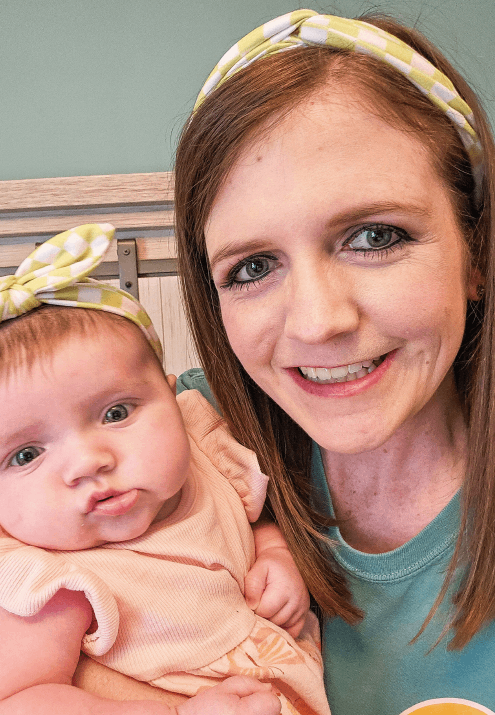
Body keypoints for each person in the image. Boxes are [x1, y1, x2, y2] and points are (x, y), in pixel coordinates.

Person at [173, 9, 495, 715]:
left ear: (474, 250)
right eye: (253, 265)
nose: (318, 322)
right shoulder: (193, 439)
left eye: (374, 236)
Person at [0, 224, 331, 715]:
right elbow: (10, 703)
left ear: (171, 394)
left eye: (116, 414)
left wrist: (275, 553)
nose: (87, 463)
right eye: (26, 455)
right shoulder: (53, 582)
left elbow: (247, 518)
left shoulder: (206, 459)